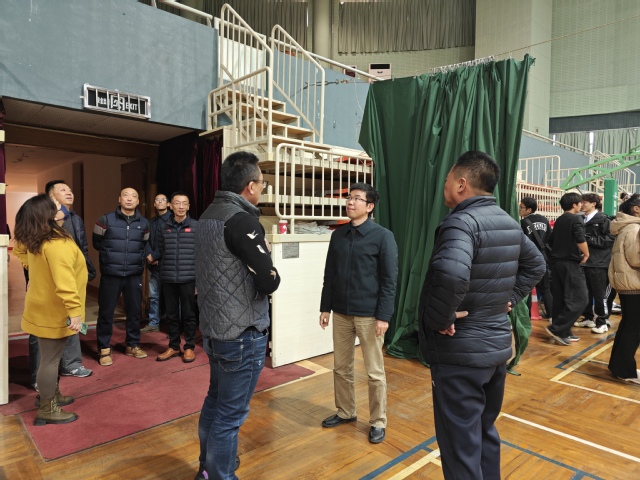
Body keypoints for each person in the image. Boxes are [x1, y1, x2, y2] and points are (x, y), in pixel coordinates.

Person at [418, 151, 545, 480]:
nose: (444, 185)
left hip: (460, 354)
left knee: (460, 448)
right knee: (484, 432)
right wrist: (510, 298)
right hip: (495, 351)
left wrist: (441, 318)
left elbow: (451, 273)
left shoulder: (461, 222)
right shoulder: (508, 221)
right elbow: (537, 264)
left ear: (461, 184)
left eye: (448, 179)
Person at [194, 151, 281, 480]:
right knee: (230, 415)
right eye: (262, 183)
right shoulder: (242, 221)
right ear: (250, 186)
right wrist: (269, 265)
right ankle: (221, 474)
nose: (262, 188)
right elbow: (268, 280)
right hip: (242, 332)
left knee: (215, 401)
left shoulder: (208, 215)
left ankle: (208, 468)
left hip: (215, 328)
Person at [319, 182, 398, 445]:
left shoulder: (383, 236)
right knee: (341, 368)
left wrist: (384, 316)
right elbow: (330, 274)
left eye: (357, 198)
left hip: (370, 315)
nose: (350, 202)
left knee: (374, 372)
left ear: (370, 206)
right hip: (341, 313)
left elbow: (389, 280)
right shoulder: (338, 236)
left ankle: (378, 421)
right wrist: (325, 307)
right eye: (349, 198)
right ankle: (346, 411)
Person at [13, 194, 87, 425]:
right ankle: (47, 408)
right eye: (55, 205)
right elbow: (65, 283)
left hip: (43, 306)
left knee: (49, 357)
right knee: (50, 360)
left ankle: (51, 395)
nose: (60, 205)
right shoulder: (56, 244)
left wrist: (35, 270)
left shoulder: (39, 237)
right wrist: (75, 312)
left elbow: (19, 250)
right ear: (48, 215)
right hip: (55, 310)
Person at [93, 188, 150, 366]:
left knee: (134, 312)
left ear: (138, 201)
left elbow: (144, 244)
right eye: (126, 195)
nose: (129, 199)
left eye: (134, 196)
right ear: (119, 199)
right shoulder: (105, 220)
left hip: (134, 274)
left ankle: (132, 345)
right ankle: (104, 349)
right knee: (106, 313)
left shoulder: (144, 223)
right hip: (111, 274)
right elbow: (97, 243)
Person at [156, 192, 198, 362]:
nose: (181, 207)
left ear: (188, 206)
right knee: (171, 315)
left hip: (189, 277)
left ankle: (189, 347)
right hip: (168, 277)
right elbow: (160, 250)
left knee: (189, 314)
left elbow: (201, 253)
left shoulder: (196, 226)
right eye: (177, 203)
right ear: (170, 206)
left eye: (184, 203)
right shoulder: (163, 227)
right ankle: (173, 346)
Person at [546, 192, 590, 345]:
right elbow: (580, 238)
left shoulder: (559, 220)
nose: (581, 205)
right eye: (580, 203)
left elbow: (550, 241)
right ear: (574, 205)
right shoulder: (575, 219)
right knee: (580, 298)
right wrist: (586, 253)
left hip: (556, 263)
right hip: (569, 263)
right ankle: (557, 328)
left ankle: (563, 331)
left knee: (561, 298)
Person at [608, 193, 640, 384]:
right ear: (636, 209)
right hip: (634, 284)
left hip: (628, 284)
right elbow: (635, 258)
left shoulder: (627, 227)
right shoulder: (635, 228)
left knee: (629, 326)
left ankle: (618, 366)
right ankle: (624, 370)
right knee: (634, 328)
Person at [574, 193, 615, 333]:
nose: (582, 205)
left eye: (585, 202)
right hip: (584, 262)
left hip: (599, 263)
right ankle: (588, 318)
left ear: (593, 204)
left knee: (599, 295)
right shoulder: (581, 219)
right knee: (586, 293)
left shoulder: (604, 220)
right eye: (581, 202)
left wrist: (591, 240)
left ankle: (602, 322)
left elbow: (610, 239)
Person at [519, 196, 553, 319]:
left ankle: (526, 315)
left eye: (521, 207)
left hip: (528, 258)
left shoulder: (523, 223)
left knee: (527, 289)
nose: (519, 209)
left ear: (529, 209)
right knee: (546, 288)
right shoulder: (544, 220)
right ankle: (551, 315)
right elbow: (550, 238)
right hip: (542, 258)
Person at [141, 193, 171, 333]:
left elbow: (168, 242)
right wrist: (149, 255)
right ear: (154, 204)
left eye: (162, 200)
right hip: (153, 266)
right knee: (153, 296)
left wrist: (155, 255)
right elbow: (145, 240)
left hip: (168, 265)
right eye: (157, 200)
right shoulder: (150, 222)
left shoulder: (172, 220)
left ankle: (173, 327)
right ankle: (153, 323)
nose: (159, 202)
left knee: (171, 297)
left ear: (168, 204)